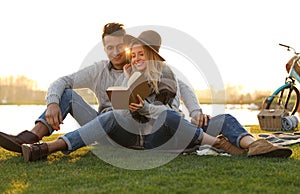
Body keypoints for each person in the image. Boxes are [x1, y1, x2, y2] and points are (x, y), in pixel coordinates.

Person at [21, 30, 292, 162]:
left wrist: (196, 111)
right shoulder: (128, 75)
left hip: (172, 129)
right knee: (137, 116)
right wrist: (131, 91)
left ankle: (253, 144)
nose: (136, 58)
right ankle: (37, 141)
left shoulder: (168, 74)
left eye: (142, 54)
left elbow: (185, 96)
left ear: (151, 56)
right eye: (134, 54)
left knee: (225, 117)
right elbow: (154, 116)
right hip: (149, 133)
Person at [0, 23, 204, 154]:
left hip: (129, 130)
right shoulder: (98, 70)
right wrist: (52, 103)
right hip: (99, 127)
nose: (115, 52)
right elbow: (61, 81)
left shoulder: (144, 66)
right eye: (109, 47)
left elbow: (182, 86)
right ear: (104, 47)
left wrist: (195, 112)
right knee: (68, 94)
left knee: (115, 116)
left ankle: (50, 147)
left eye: (119, 47)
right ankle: (30, 137)